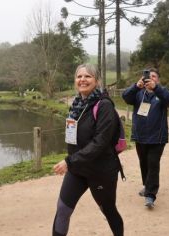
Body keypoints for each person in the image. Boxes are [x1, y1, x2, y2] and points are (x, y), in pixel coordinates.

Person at [52, 64, 124, 236]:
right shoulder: (76, 105)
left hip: (101, 170)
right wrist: (73, 161)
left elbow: (100, 143)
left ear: (96, 81)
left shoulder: (104, 106)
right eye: (79, 76)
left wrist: (69, 161)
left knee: (108, 210)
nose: (82, 80)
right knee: (63, 209)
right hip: (78, 169)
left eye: (88, 76)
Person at [122, 68, 169, 208]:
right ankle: (147, 185)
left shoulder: (162, 93)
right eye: (148, 76)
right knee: (143, 163)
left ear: (158, 79)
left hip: (157, 138)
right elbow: (125, 97)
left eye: (154, 76)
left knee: (153, 164)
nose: (150, 78)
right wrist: (136, 86)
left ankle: (150, 195)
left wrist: (156, 88)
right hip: (140, 136)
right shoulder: (138, 93)